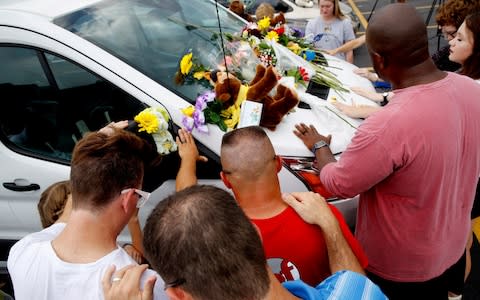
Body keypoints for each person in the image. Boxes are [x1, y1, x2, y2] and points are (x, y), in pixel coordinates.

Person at [294, 3, 480, 299]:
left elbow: (339, 182)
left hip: (401, 270)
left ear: (378, 60)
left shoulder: (387, 125)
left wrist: (320, 146)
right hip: (452, 244)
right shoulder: (472, 90)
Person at [103, 185, 388, 300]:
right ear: (258, 234)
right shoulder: (357, 291)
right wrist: (329, 225)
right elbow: (350, 280)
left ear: (179, 295)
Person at [8, 129, 168, 299]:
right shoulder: (144, 286)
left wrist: (90, 154)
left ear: (75, 187)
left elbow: (60, 224)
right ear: (128, 199)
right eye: (139, 196)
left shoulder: (23, 252)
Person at [220, 126, 368, 285]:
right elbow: (359, 286)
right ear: (279, 164)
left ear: (225, 180)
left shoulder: (217, 238)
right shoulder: (321, 214)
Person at [448, 11, 480, 299]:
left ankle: (456, 292)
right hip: (473, 175)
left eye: (459, 38)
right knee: (464, 234)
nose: (451, 43)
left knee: (459, 238)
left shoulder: (469, 87)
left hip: (470, 176)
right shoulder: (465, 80)